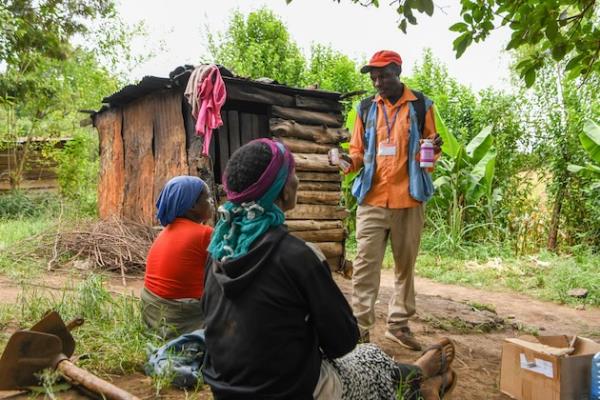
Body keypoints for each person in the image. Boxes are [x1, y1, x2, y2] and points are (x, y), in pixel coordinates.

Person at [201, 138, 456, 400]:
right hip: (293, 392)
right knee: (372, 357)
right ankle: (417, 381)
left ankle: (419, 379)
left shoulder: (217, 253)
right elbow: (343, 342)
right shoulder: (299, 255)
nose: (297, 181)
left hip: (225, 391)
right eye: (293, 174)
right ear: (284, 191)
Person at [331, 50, 443, 351]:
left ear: (398, 72)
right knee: (366, 266)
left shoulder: (421, 106)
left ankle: (398, 325)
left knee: (405, 267)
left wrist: (432, 149)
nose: (378, 82)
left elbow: (429, 158)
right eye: (374, 77)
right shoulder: (366, 108)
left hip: (410, 199)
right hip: (373, 200)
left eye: (384, 76)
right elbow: (356, 153)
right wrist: (346, 160)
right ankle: (361, 329)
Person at [141, 175, 214, 339]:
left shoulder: (165, 232)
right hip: (181, 315)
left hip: (152, 313)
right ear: (193, 206)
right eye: (207, 198)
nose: (212, 202)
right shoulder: (204, 234)